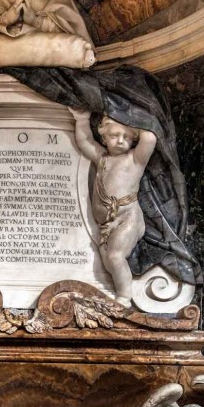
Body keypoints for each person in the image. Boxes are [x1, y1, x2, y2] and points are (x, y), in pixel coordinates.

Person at [69, 108, 157, 307]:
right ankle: (121, 292)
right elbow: (85, 143)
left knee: (115, 256)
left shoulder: (135, 159)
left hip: (128, 217)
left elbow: (150, 140)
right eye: (115, 135)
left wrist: (138, 118)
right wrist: (82, 120)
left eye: (126, 137)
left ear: (133, 140)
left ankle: (125, 298)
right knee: (109, 263)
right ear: (104, 137)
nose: (120, 141)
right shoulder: (102, 159)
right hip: (106, 223)